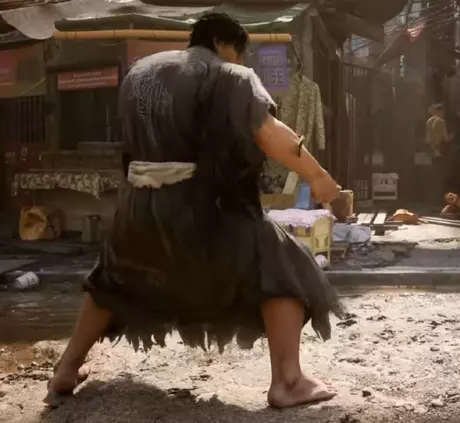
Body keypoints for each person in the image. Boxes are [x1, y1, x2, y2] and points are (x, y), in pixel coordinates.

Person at [46, 13, 343, 408]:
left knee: (111, 278)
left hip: (138, 209)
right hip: (205, 211)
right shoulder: (232, 75)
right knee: (288, 265)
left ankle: (66, 369)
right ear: (223, 43)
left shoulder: (139, 73)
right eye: (238, 52)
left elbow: (130, 145)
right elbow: (269, 133)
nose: (239, 60)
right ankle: (288, 381)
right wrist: (319, 177)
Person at [426, 103, 454, 197]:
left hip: (433, 151)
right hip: (442, 150)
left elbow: (427, 139)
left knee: (435, 175)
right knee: (443, 175)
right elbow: (446, 138)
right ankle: (442, 196)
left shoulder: (428, 122)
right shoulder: (441, 121)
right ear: (439, 111)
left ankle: (434, 195)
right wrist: (453, 136)